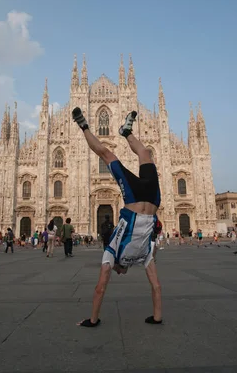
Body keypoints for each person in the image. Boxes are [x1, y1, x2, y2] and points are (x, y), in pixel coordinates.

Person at [72, 107, 162, 328]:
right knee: (145, 154)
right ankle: (126, 131)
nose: (120, 273)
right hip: (152, 199)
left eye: (117, 272)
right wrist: (156, 317)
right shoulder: (144, 254)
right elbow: (156, 287)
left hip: (134, 198)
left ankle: (90, 127)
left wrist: (92, 319)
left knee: (107, 154)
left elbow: (100, 288)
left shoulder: (112, 251)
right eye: (122, 271)